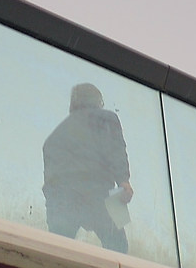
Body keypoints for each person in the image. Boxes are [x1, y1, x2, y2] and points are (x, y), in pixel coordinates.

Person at [41, 82, 133, 252]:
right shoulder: (106, 118)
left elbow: (50, 181)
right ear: (97, 100)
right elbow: (116, 149)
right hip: (98, 192)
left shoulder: (54, 137)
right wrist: (123, 181)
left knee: (58, 252)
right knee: (118, 248)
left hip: (62, 199)